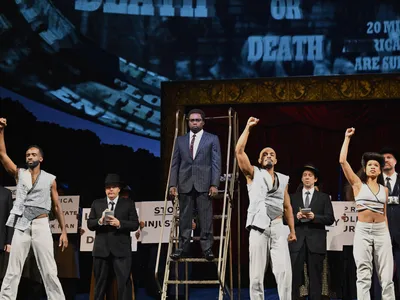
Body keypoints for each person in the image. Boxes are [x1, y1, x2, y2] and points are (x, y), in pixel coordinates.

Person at [0, 117, 68, 300]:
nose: (29, 157)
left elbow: (57, 206)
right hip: (21, 224)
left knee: (49, 270)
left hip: (41, 224)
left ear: (41, 158)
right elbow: (2, 155)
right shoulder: (19, 174)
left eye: (33, 155)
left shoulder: (50, 179)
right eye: (27, 155)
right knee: (13, 269)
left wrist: (64, 231)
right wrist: (1, 131)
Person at [235, 116, 296, 300]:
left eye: (271, 154)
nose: (268, 155)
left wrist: (292, 230)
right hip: (258, 227)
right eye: (264, 154)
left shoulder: (283, 179)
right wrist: (248, 128)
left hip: (278, 227)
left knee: (285, 272)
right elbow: (239, 151)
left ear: (276, 160)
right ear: (260, 160)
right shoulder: (253, 173)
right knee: (256, 275)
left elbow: (287, 206)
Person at [339, 127, 395, 299]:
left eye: (376, 165)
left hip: (381, 231)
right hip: (363, 231)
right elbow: (342, 161)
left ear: (379, 170)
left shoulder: (384, 190)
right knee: (363, 274)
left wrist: (386, 235)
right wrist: (347, 138)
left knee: (386, 277)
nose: (372, 167)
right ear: (365, 168)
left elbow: (384, 214)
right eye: (370, 164)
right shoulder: (357, 185)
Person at [169, 109, 221, 261]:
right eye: (192, 120)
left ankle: (207, 248)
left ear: (203, 122)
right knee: (184, 218)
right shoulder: (180, 140)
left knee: (205, 217)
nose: (195, 122)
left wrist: (214, 184)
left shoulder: (212, 139)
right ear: (188, 122)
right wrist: (173, 184)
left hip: (204, 183)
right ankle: (183, 248)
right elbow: (174, 164)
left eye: (197, 120)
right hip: (184, 182)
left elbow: (216, 163)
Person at [88, 173, 139, 300]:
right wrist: (100, 221)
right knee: (99, 285)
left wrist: (119, 223)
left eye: (113, 187)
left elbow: (135, 224)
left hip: (121, 250)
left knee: (124, 283)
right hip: (101, 250)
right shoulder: (97, 203)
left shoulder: (128, 203)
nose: (110, 189)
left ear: (119, 189)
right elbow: (90, 224)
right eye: (108, 187)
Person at [289, 164, 335, 300]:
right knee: (295, 277)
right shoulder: (293, 197)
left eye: (310, 175)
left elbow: (330, 219)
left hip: (316, 241)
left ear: (315, 179)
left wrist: (315, 217)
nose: (307, 177)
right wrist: (295, 217)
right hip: (297, 242)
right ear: (301, 179)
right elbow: (286, 220)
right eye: (305, 175)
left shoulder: (323, 197)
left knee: (315, 278)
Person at [372, 147, 400, 299]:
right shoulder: (373, 182)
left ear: (395, 161)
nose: (386, 160)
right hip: (379, 234)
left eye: (389, 157)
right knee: (379, 276)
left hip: (399, 236)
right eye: (383, 158)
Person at [0, 186, 13, 286]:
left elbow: (10, 219)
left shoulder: (6, 193)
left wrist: (9, 241)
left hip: (1, 241)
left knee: (1, 276)